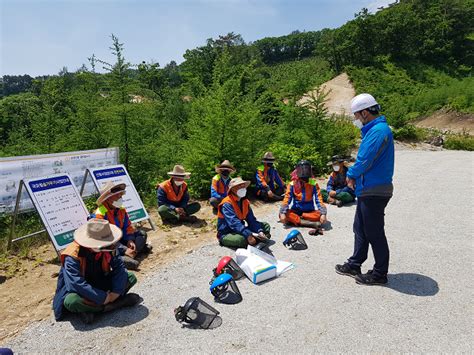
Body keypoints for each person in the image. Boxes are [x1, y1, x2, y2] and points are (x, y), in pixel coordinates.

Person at [335, 93, 394, 286]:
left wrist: (351, 175)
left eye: (357, 115)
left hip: (374, 190)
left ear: (366, 112)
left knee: (374, 231)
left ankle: (379, 274)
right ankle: (355, 263)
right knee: (360, 228)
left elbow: (364, 160)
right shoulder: (376, 130)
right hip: (368, 188)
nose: (356, 119)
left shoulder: (378, 131)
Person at [52, 218, 140, 324]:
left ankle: (94, 309)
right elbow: (75, 284)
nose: (110, 245)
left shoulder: (109, 247)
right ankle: (116, 305)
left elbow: (120, 269)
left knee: (130, 277)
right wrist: (103, 297)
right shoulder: (72, 255)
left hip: (100, 281)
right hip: (81, 290)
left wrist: (115, 294)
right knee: (71, 301)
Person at [94, 181, 151, 270]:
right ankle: (129, 254)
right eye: (117, 196)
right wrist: (124, 249)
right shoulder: (99, 215)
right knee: (107, 250)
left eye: (120, 195)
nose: (120, 198)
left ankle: (130, 254)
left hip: (121, 239)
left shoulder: (121, 209)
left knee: (142, 234)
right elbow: (106, 239)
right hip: (110, 243)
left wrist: (130, 240)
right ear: (108, 199)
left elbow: (127, 227)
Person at [217, 177, 271, 248]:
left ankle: (256, 238)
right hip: (227, 233)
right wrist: (248, 234)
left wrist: (259, 231)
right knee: (241, 240)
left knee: (265, 226)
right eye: (239, 185)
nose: (242, 187)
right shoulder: (227, 203)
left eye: (243, 185)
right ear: (232, 189)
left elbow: (251, 220)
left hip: (240, 230)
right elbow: (234, 223)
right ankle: (254, 239)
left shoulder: (245, 201)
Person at [279, 160, 327, 229]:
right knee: (283, 214)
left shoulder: (313, 183)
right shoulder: (292, 184)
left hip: (309, 212)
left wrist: (323, 213)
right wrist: (282, 213)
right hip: (296, 211)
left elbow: (319, 199)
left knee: (319, 214)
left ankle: (298, 220)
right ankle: (309, 223)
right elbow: (287, 199)